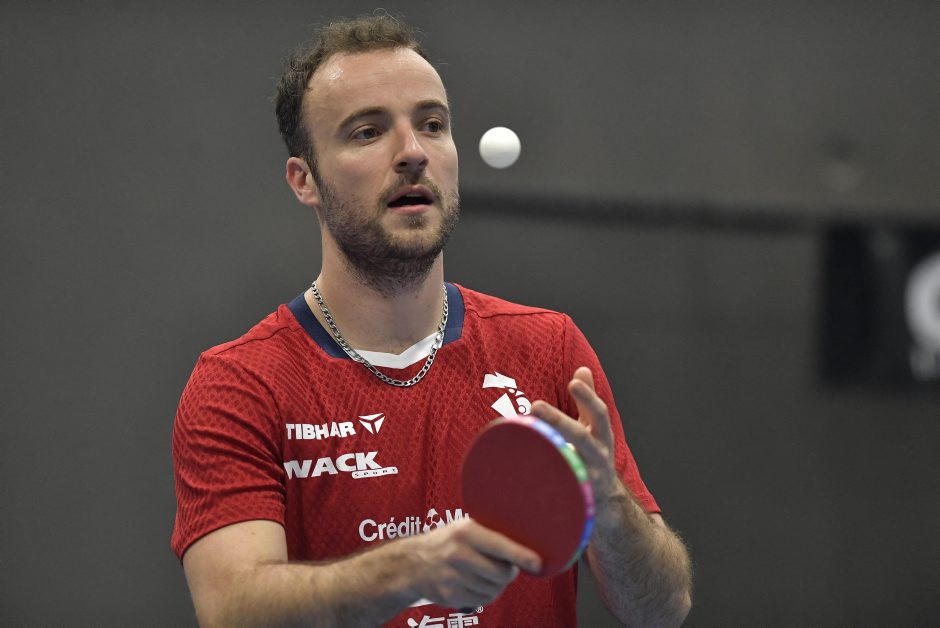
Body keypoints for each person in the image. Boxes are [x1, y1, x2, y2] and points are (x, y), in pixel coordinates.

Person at [172, 13, 692, 627]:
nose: (413, 153)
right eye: (368, 132)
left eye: (432, 125)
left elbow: (662, 610)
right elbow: (232, 612)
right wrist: (408, 570)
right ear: (304, 180)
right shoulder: (241, 383)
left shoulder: (548, 347)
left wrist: (609, 507)